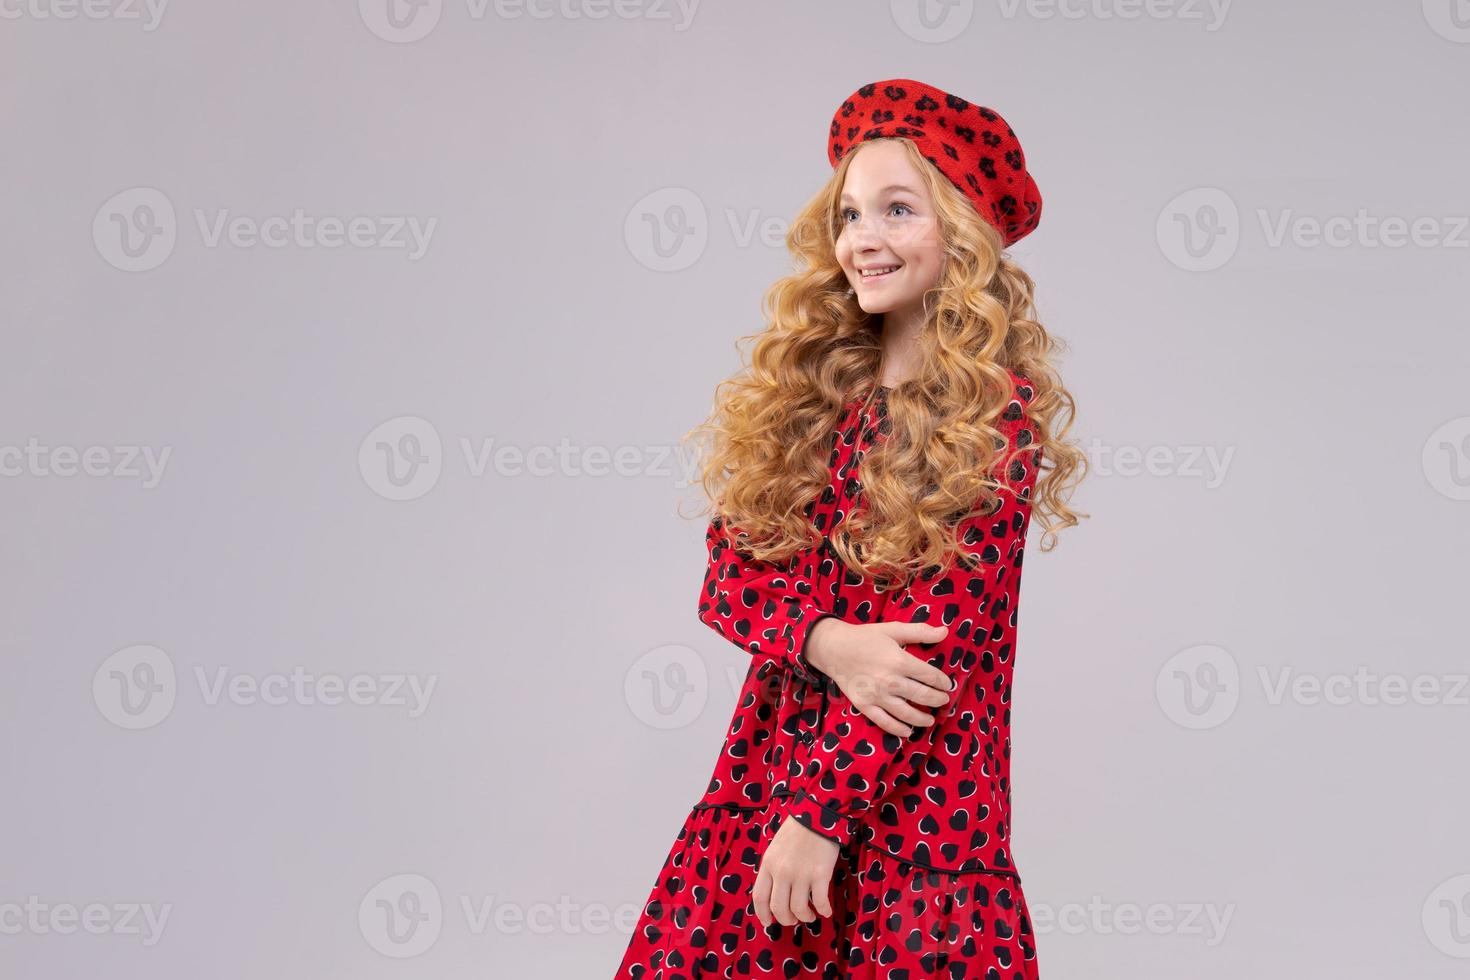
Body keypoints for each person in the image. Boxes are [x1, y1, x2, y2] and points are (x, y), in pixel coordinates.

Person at [614, 78, 1086, 979]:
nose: (862, 238)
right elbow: (729, 579)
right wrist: (829, 643)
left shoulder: (996, 420)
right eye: (850, 214)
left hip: (913, 821)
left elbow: (925, 661)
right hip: (764, 787)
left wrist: (816, 822)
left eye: (897, 209)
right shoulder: (814, 403)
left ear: (963, 231)